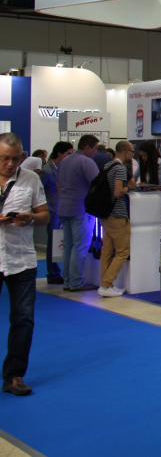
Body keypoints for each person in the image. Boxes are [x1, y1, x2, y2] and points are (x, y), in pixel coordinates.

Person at [0, 133, 49, 397]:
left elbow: (45, 215)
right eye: (4, 158)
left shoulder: (30, 178)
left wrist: (30, 218)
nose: (10, 164)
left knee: (23, 319)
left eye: (15, 158)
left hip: (21, 259)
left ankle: (14, 376)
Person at [57, 134, 101, 292]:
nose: (96, 152)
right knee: (80, 247)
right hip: (80, 209)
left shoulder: (64, 161)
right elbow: (97, 184)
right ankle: (76, 282)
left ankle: (68, 281)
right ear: (88, 147)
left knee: (68, 246)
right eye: (95, 148)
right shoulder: (87, 162)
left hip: (64, 208)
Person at [97, 141, 136, 298]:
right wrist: (130, 186)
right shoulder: (120, 168)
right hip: (117, 214)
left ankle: (106, 284)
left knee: (107, 250)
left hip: (105, 213)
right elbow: (118, 192)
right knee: (123, 251)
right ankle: (106, 284)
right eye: (132, 151)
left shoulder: (108, 166)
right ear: (126, 151)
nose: (133, 155)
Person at [39, 142, 74, 284]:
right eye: (68, 154)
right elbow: (38, 191)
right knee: (53, 244)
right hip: (52, 211)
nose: (70, 157)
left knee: (59, 243)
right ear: (59, 153)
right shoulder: (47, 171)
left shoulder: (62, 169)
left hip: (62, 211)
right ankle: (53, 274)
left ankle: (58, 272)